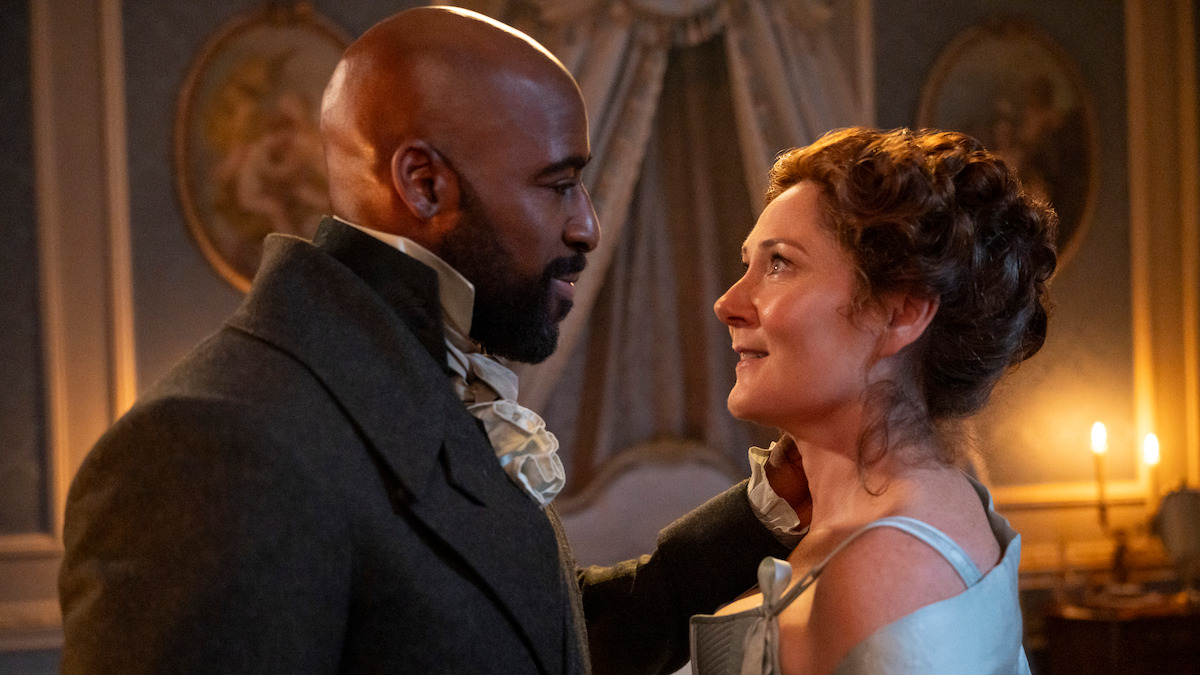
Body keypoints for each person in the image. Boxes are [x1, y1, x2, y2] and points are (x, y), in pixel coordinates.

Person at [58, 7, 802, 675]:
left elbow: (528, 639)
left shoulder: (419, 374)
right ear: (423, 184)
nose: (588, 227)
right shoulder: (218, 444)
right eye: (558, 185)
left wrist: (767, 507)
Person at [690, 127, 1056, 674]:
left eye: (779, 263)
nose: (728, 303)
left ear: (900, 313)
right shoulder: (896, 516)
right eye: (748, 264)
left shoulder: (893, 568)